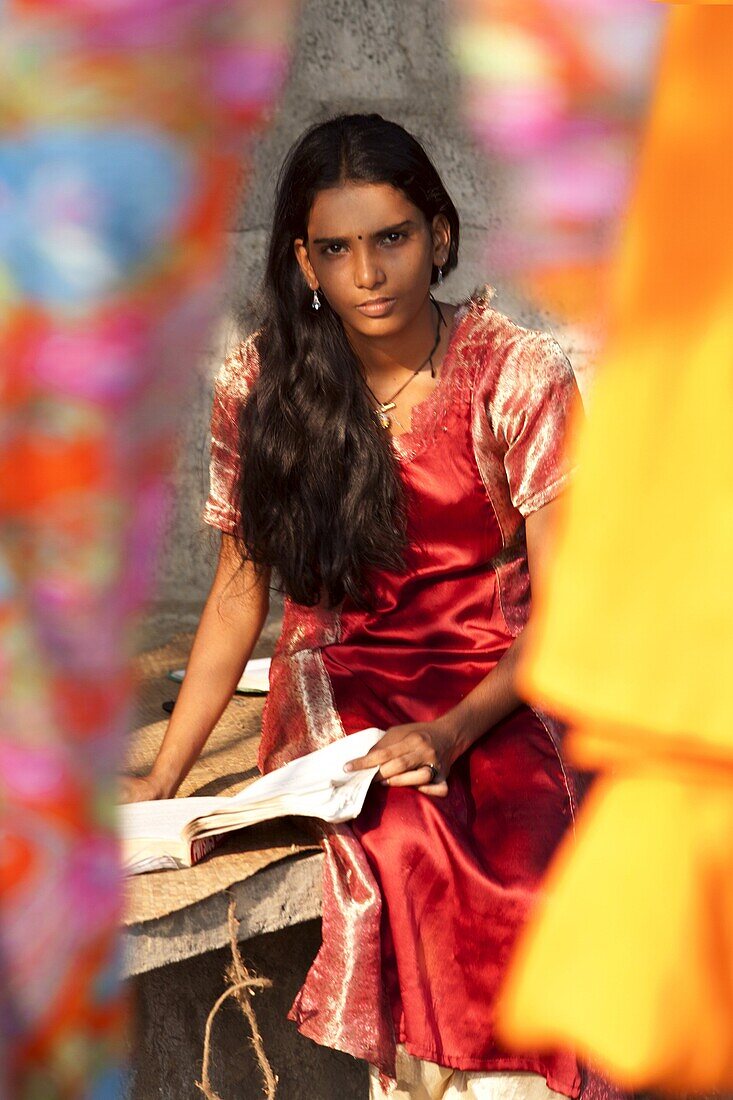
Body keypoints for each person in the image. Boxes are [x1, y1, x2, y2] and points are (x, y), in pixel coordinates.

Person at [122, 114, 584, 1099]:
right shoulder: (261, 386)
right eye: (335, 248)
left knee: (522, 847)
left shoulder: (516, 372)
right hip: (342, 679)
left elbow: (567, 608)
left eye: (392, 237)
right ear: (303, 260)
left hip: (499, 672)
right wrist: (161, 781)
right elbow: (237, 596)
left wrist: (453, 731)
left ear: (439, 236)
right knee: (401, 830)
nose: (367, 273)